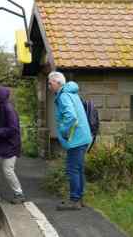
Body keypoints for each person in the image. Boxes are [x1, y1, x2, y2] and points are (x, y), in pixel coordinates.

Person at [47, 71, 92, 211]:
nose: (48, 85)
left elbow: (71, 117)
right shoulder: (72, 93)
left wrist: (64, 131)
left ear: (58, 83)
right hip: (83, 137)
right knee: (78, 169)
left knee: (72, 169)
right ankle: (79, 198)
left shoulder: (64, 96)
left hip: (76, 139)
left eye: (50, 83)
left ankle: (74, 200)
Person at [0, 84, 25, 204]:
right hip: (0, 142)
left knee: (8, 170)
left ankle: (19, 194)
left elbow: (13, 129)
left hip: (11, 144)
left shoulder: (8, 109)